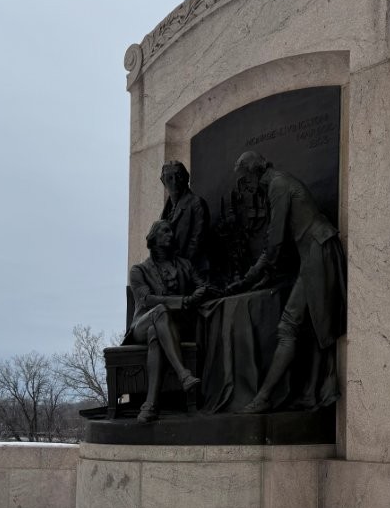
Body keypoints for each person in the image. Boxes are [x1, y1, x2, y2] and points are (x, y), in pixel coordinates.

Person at [228, 151, 346, 413]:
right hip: (314, 253)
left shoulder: (277, 186)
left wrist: (249, 278)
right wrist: (265, 276)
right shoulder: (280, 182)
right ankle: (310, 394)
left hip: (317, 252)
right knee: (312, 329)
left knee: (289, 327)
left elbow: (275, 241)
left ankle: (264, 397)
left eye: (245, 180)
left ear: (254, 172)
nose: (246, 187)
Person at [125, 219, 211, 423]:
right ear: (153, 238)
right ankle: (183, 374)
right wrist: (183, 300)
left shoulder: (185, 265)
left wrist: (198, 294)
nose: (170, 235)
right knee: (159, 312)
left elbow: (203, 285)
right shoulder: (138, 270)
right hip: (141, 324)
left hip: (172, 326)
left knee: (157, 332)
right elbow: (147, 300)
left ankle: (150, 406)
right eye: (165, 231)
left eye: (171, 232)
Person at [159, 160, 210, 270]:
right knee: (137, 272)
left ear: (186, 178)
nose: (174, 182)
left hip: (188, 267)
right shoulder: (165, 212)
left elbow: (196, 243)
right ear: (163, 181)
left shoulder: (196, 204)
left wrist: (177, 267)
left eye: (179, 176)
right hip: (168, 269)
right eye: (169, 178)